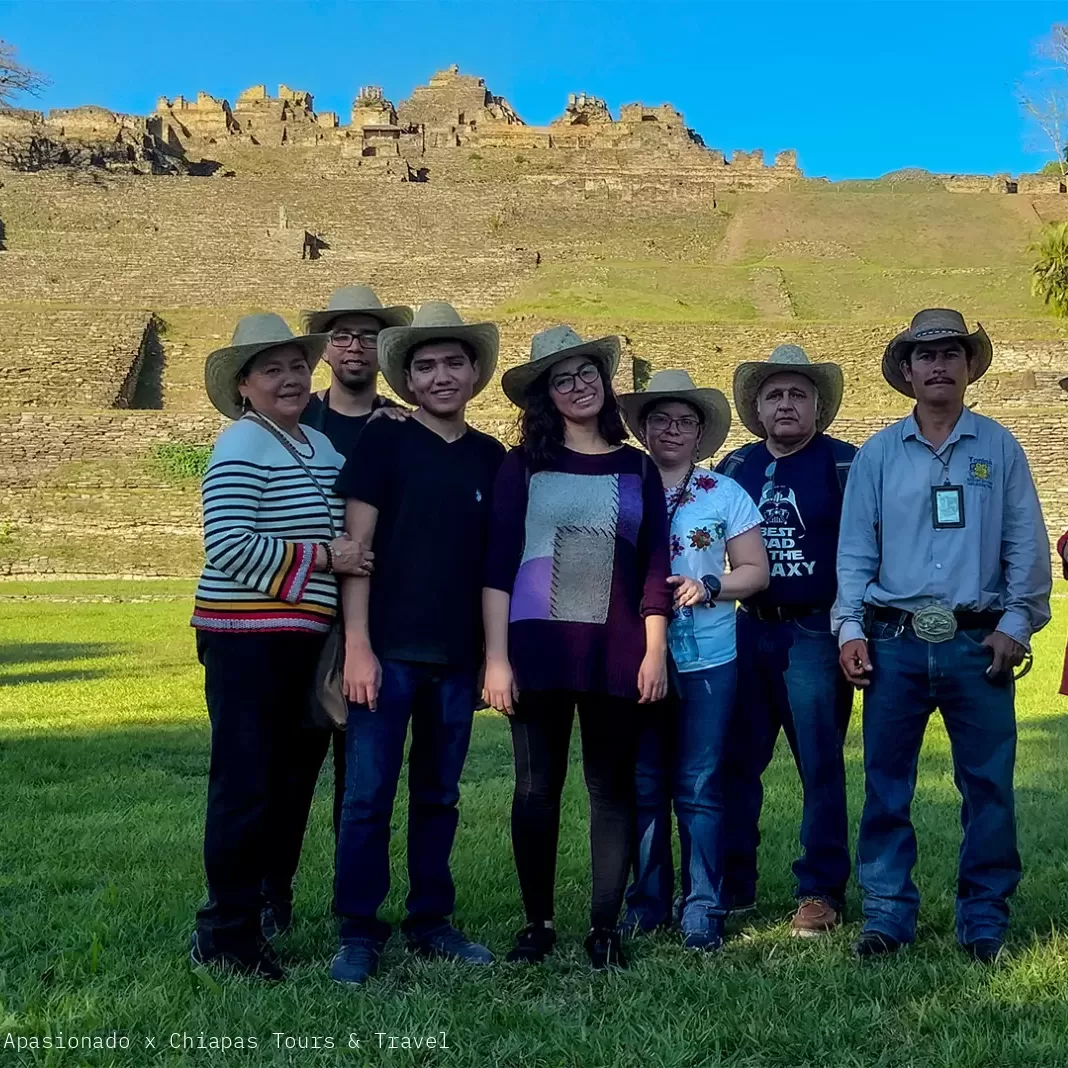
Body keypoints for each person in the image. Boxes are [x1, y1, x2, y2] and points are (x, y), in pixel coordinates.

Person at [834, 308, 1052, 963]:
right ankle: (887, 915)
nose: (937, 365)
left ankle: (984, 917)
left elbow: (1026, 544)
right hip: (895, 641)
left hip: (976, 644)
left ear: (967, 366)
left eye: (949, 353)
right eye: (924, 355)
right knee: (886, 783)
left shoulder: (999, 447)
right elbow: (854, 553)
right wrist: (849, 628)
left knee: (988, 786)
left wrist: (1017, 623)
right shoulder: (876, 454)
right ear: (906, 371)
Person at [482, 325, 672, 971]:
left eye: (588, 372)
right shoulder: (524, 466)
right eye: (563, 378)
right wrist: (497, 659)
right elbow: (497, 564)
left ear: (605, 381)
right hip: (536, 649)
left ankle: (603, 925)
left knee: (610, 789)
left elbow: (654, 566)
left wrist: (653, 651)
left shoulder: (636, 465)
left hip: (617, 649)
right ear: (545, 395)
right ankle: (537, 922)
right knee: (537, 789)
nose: (579, 385)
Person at [189, 313, 370, 981]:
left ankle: (255, 914)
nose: (290, 378)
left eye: (297, 366)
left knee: (287, 785)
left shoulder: (317, 448)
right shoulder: (241, 444)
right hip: (246, 640)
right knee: (245, 784)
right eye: (272, 369)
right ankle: (225, 932)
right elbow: (230, 547)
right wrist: (327, 556)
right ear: (244, 385)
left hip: (303, 644)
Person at [329, 301, 505, 985]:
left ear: (473, 372)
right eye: (425, 365)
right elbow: (357, 551)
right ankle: (357, 929)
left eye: (452, 363)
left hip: (457, 659)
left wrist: (493, 657)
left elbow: (496, 566)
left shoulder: (493, 458)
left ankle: (431, 919)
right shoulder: (384, 441)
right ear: (407, 378)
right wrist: (358, 645)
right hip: (389, 652)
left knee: (440, 795)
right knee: (368, 796)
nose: (440, 375)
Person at [259, 286, 413, 942]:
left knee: (364, 777)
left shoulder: (403, 427)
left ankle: (353, 906)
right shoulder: (298, 422)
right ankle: (272, 893)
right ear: (327, 350)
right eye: (343, 335)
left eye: (367, 335)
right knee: (290, 767)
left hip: (379, 617)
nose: (355, 346)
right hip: (301, 615)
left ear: (384, 349)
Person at [617, 370, 768, 950]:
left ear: (702, 434)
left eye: (685, 421)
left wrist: (711, 584)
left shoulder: (723, 494)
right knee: (645, 780)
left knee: (701, 782)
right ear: (644, 429)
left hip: (709, 655)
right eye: (661, 420)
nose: (673, 430)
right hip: (638, 655)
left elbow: (757, 572)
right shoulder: (625, 485)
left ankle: (703, 904)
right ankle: (648, 899)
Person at [715, 344, 856, 936]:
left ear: (819, 407)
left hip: (814, 631)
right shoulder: (734, 469)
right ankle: (731, 884)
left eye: (799, 394)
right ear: (758, 408)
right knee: (734, 764)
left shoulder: (847, 465)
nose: (787, 404)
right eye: (775, 394)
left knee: (819, 764)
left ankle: (820, 889)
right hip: (748, 628)